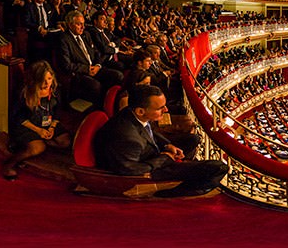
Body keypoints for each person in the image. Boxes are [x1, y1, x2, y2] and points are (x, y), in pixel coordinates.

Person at [93, 85, 227, 198]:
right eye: (160, 108)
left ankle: (186, 166)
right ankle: (174, 192)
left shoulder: (132, 113)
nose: (166, 110)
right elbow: (128, 169)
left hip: (151, 151)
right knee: (219, 167)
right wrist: (165, 158)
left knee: (193, 139)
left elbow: (149, 131)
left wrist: (168, 145)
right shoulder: (128, 138)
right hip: (151, 165)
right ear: (140, 111)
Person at [1, 61, 71, 180]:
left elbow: (57, 112)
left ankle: (42, 141)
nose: (47, 83)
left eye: (49, 78)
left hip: (47, 122)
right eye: (43, 80)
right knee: (38, 148)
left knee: (66, 142)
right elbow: (17, 117)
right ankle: (9, 164)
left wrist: (52, 128)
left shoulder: (55, 88)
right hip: (28, 125)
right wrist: (39, 131)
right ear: (35, 79)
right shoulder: (25, 92)